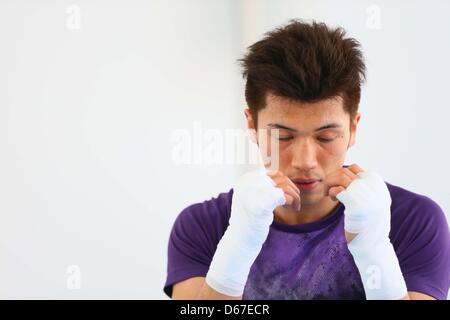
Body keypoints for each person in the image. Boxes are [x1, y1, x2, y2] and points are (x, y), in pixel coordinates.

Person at [164, 20, 450, 300]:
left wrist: (373, 246)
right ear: (251, 126)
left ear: (353, 128)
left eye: (325, 137)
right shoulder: (203, 226)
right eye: (282, 137)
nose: (305, 161)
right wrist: (238, 244)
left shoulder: (413, 221)